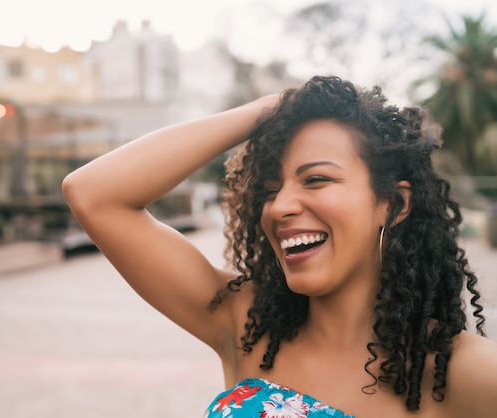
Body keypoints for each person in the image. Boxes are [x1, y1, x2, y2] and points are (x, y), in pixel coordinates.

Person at [62, 75, 497, 417]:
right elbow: (94, 194)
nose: (280, 206)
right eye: (271, 189)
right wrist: (270, 108)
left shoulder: (459, 372)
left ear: (394, 204)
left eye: (316, 179)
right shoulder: (244, 323)